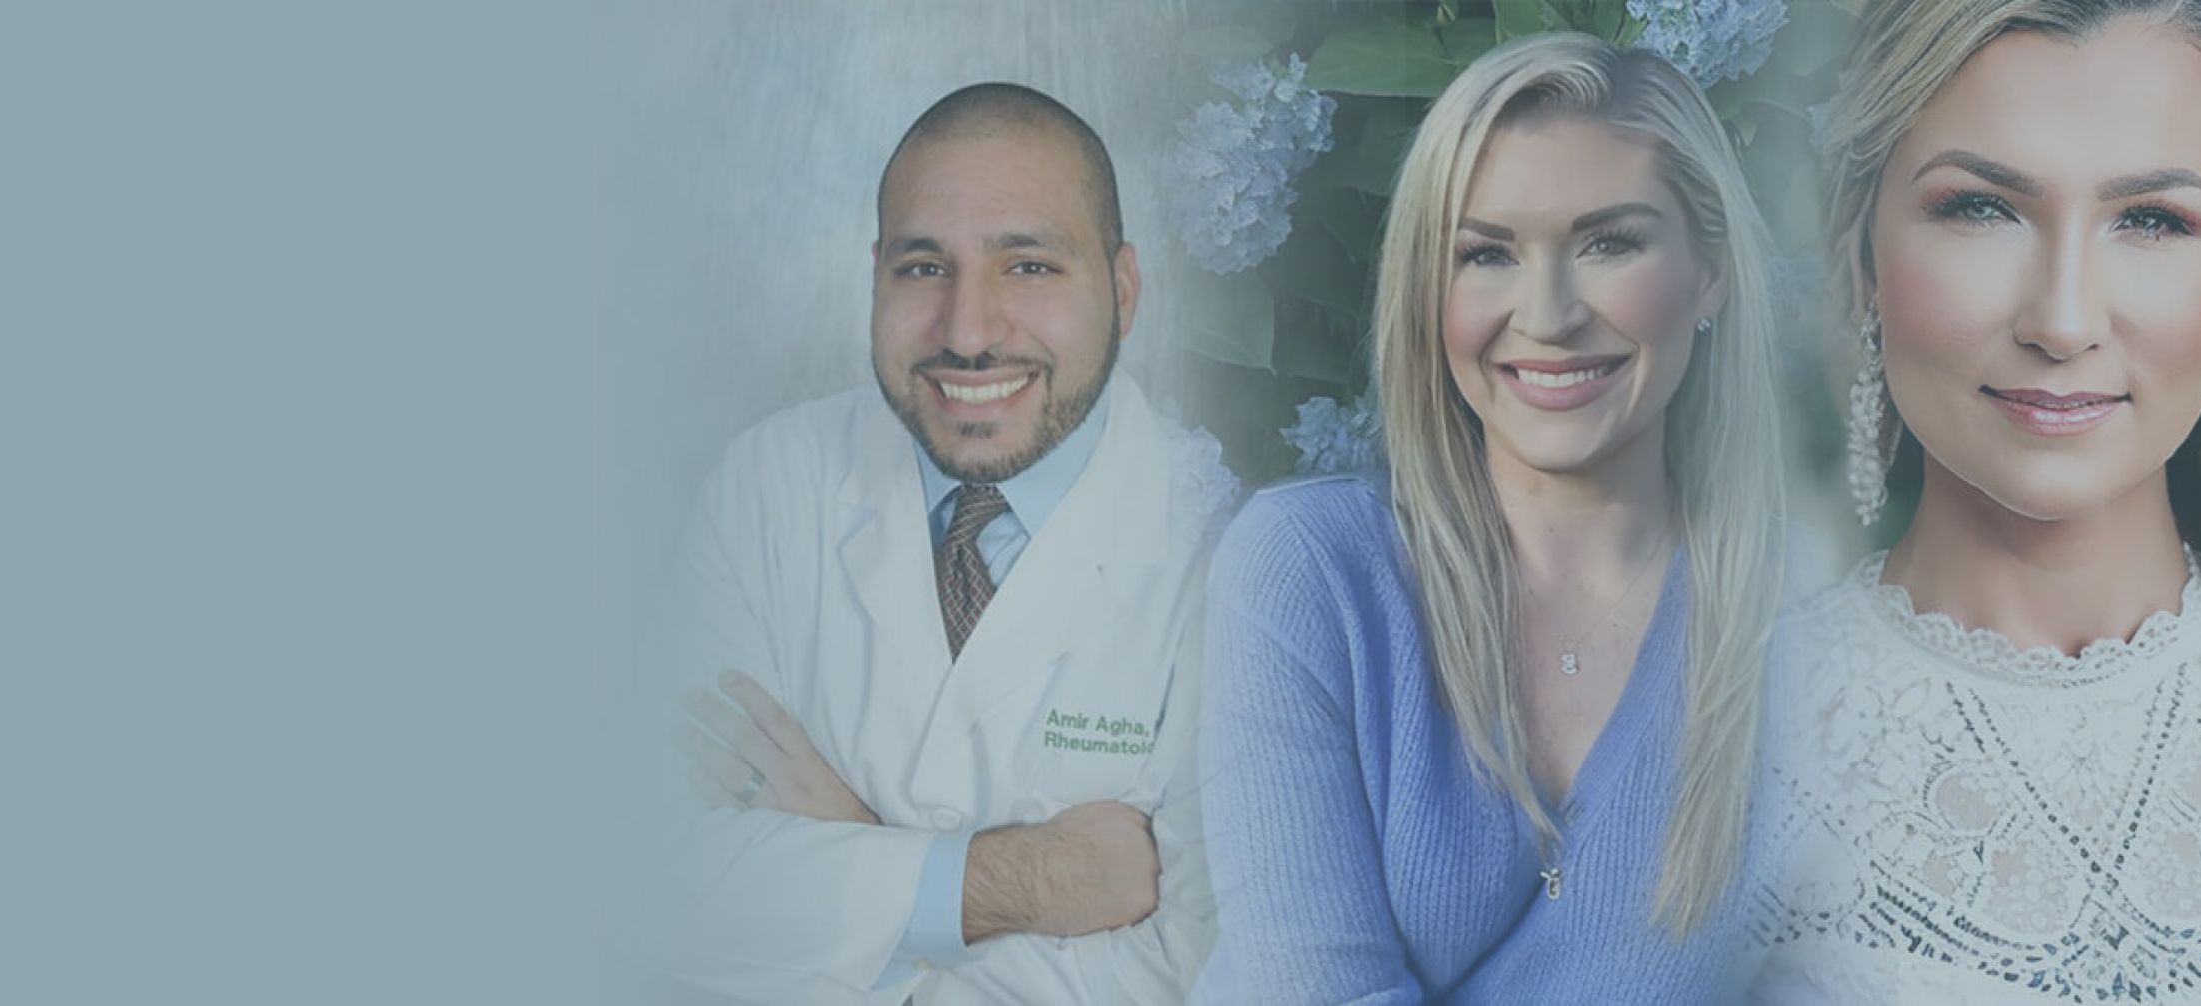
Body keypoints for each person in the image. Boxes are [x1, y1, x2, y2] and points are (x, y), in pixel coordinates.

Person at [1753, 0, 2201, 1000]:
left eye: (2151, 220)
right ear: (1861, 252)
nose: (2062, 321)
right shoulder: (1710, 740)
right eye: (1981, 207)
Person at [1192, 31, 1790, 1003]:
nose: (1547, 313)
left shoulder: (1805, 627)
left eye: (1609, 242)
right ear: (1430, 288)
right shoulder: (1306, 572)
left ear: (1709, 268)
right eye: (1486, 253)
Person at [647, 82, 1225, 1003]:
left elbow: (1203, 970)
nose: (967, 333)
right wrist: (1023, 879)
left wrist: (847, 852)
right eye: (923, 267)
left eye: (1027, 266)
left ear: (1122, 289)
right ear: (875, 272)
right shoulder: (771, 483)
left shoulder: (1233, 560)